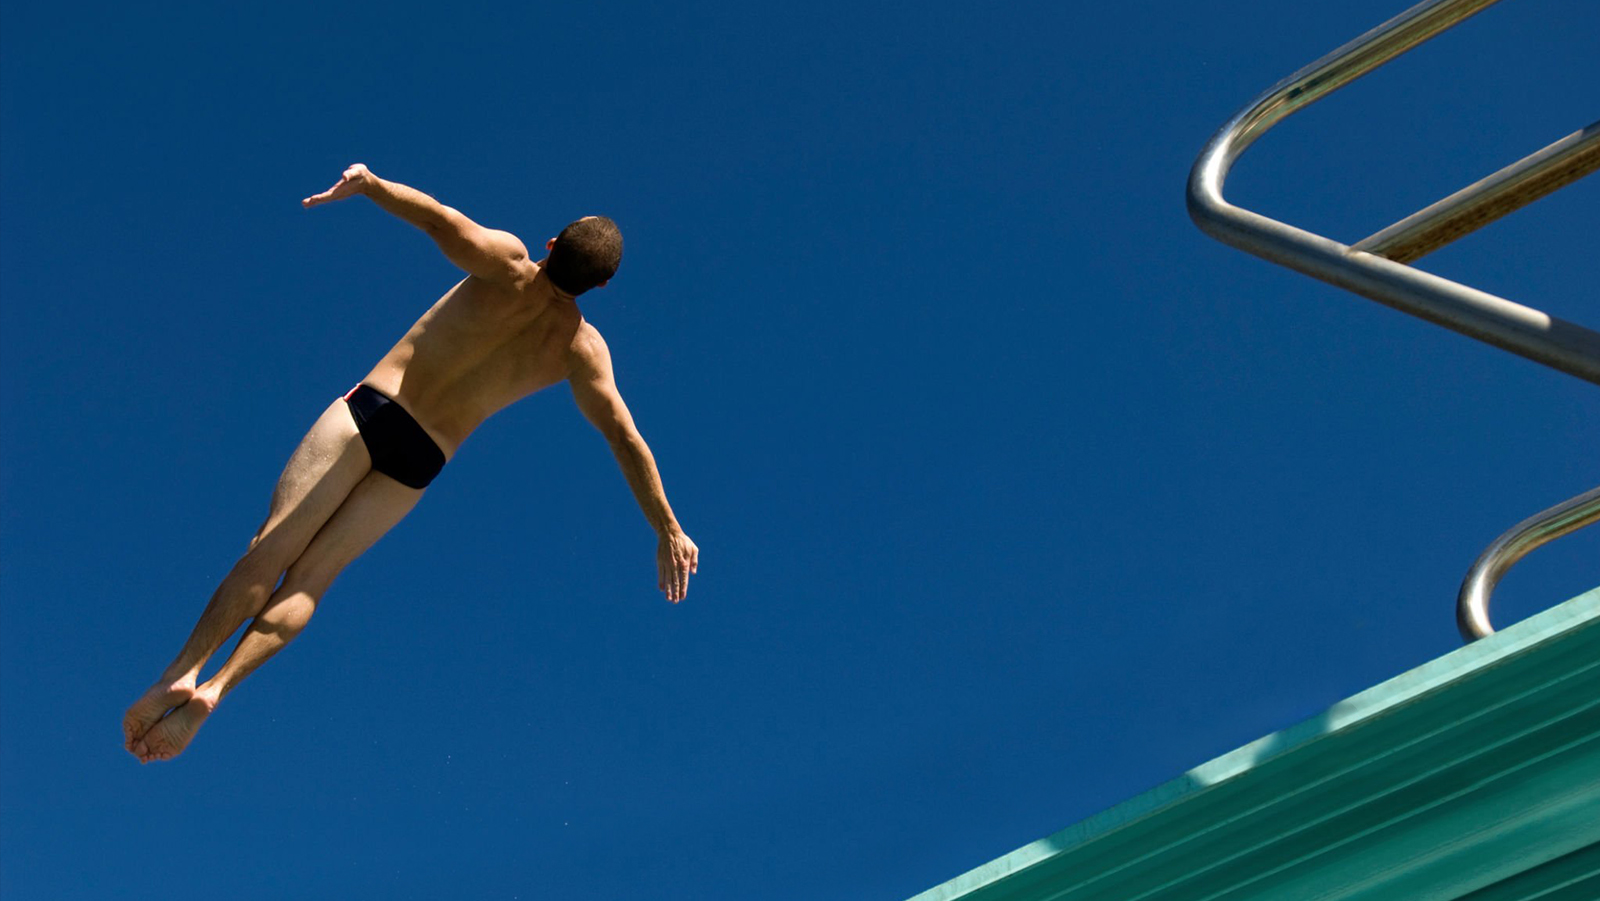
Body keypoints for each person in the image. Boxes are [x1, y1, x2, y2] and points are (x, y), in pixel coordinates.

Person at [122, 164, 699, 764]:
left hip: (374, 410)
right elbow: (624, 437)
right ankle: (216, 691)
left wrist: (372, 186)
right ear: (600, 286)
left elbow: (439, 221)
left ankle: (183, 672)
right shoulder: (583, 350)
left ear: (552, 242)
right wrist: (668, 527)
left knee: (272, 548)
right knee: (312, 580)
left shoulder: (508, 262)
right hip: (423, 458)